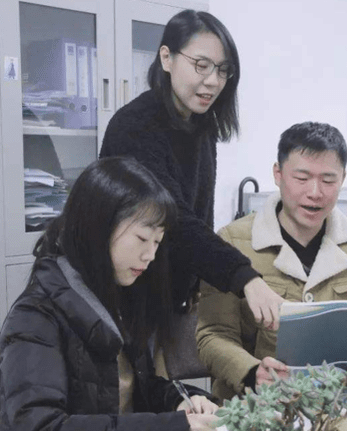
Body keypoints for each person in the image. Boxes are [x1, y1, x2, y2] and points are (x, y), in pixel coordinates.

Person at [0, 157, 219, 431]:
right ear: (98, 227)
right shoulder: (36, 316)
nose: (150, 255)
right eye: (142, 238)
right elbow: (41, 424)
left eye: (157, 242)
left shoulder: (119, 293)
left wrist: (181, 402)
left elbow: (137, 389)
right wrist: (173, 425)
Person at [100, 10, 282, 330]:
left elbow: (200, 212)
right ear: (166, 58)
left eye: (223, 70)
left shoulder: (200, 124)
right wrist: (244, 277)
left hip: (169, 298)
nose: (213, 80)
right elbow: (174, 220)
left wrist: (196, 279)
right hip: (123, 298)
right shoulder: (135, 126)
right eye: (201, 65)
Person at [196, 122, 347, 400]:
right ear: (278, 174)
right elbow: (212, 335)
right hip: (255, 404)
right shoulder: (232, 242)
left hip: (335, 403)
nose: (315, 192)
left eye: (328, 180)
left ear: (343, 179)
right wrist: (251, 372)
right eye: (302, 178)